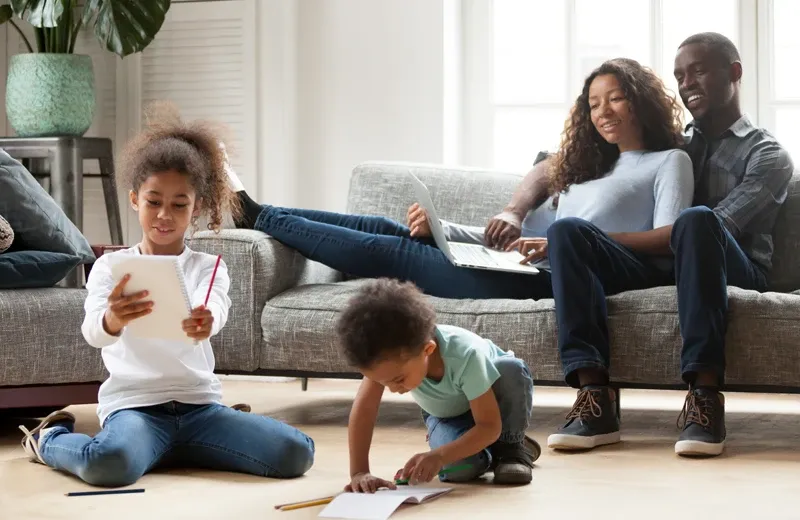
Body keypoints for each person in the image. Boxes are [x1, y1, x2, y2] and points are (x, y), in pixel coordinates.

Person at [18, 103, 315, 487]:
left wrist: (207, 322)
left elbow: (217, 308)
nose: (164, 215)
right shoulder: (111, 268)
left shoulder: (210, 267)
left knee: (296, 453)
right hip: (134, 409)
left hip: (200, 408)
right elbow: (93, 332)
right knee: (108, 463)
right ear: (134, 200)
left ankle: (188, 443)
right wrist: (113, 320)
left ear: (197, 209)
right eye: (154, 201)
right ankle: (50, 439)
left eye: (179, 205)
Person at [225, 58, 693, 301]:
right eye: (593, 103)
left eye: (614, 99)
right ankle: (257, 211)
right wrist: (444, 229)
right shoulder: (587, 166)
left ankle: (257, 214)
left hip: (562, 281)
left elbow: (671, 240)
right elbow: (523, 236)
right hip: (524, 265)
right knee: (384, 227)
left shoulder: (667, 161)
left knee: (394, 252)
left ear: (639, 100)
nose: (602, 112)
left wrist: (571, 244)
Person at [543, 33, 794, 457]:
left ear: (734, 73)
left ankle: (704, 398)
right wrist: (519, 209)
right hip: (665, 263)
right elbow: (555, 162)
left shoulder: (767, 154)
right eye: (679, 75)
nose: (686, 82)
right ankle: (594, 401)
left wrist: (606, 238)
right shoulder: (675, 142)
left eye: (698, 70)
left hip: (737, 266)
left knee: (698, 221)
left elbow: (720, 227)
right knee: (567, 231)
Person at [336, 278, 540, 490]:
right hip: (448, 417)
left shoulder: (466, 355)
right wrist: (359, 471)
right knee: (461, 469)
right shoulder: (386, 360)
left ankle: (510, 447)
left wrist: (441, 454)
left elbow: (489, 425)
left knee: (510, 368)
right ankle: (490, 449)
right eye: (383, 382)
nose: (393, 389)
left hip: (494, 409)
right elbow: (365, 411)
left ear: (428, 350)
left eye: (398, 380)